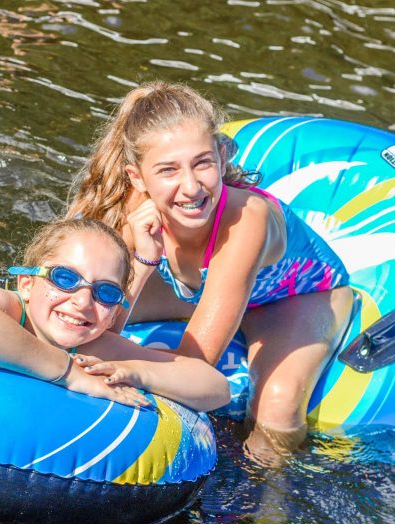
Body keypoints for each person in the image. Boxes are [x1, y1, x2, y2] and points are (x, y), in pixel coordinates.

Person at [66, 81, 354, 464]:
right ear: (137, 177)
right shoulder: (131, 209)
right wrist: (143, 260)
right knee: (79, 325)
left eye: (202, 163)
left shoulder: (245, 220)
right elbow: (98, 323)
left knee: (278, 406)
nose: (189, 187)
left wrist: (135, 371)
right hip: (191, 288)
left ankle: (270, 514)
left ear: (221, 156)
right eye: (168, 170)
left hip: (288, 296)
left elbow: (194, 366)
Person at [0, 218, 229, 412]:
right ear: (27, 285)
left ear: (116, 309)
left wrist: (138, 371)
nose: (82, 302)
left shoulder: (97, 344)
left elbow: (216, 388)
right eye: (65, 278)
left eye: (106, 292)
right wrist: (69, 374)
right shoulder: (7, 307)